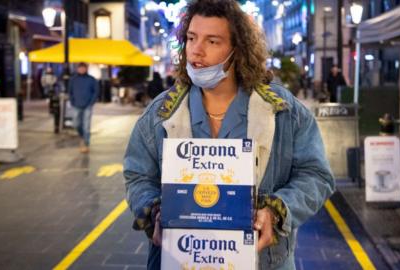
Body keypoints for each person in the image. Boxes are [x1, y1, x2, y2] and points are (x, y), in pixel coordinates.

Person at [123, 1, 335, 269]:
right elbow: (138, 175)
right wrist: (154, 211)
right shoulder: (160, 114)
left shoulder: (283, 111)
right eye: (191, 38)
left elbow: (316, 174)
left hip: (265, 261)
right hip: (181, 259)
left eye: (212, 41)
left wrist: (277, 212)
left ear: (237, 50)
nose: (196, 50)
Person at [68, 62, 98, 153]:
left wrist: (91, 103)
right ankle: (82, 136)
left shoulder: (91, 79)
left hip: (87, 106)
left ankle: (86, 143)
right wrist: (72, 101)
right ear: (77, 69)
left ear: (86, 69)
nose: (82, 70)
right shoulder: (73, 79)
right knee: (76, 124)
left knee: (86, 126)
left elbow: (96, 92)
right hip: (76, 105)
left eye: (83, 68)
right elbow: (70, 91)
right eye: (80, 68)